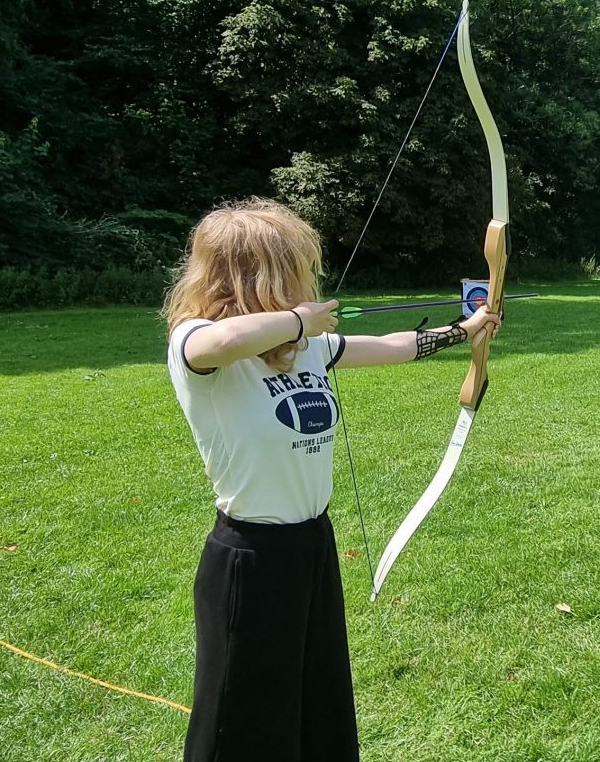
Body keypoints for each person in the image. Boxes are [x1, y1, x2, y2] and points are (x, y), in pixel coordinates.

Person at [161, 198, 500, 761]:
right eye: (296, 266)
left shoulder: (305, 348)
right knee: (239, 713)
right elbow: (217, 343)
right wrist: (300, 320)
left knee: (317, 699)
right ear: (263, 270)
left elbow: (394, 347)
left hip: (312, 544)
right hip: (251, 555)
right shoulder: (196, 342)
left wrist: (464, 331)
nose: (307, 280)